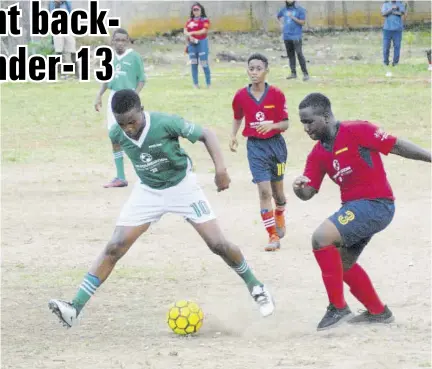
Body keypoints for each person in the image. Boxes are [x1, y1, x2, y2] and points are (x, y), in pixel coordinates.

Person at [48, 89, 275, 328]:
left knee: (217, 244)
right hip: (148, 191)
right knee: (115, 246)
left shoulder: (166, 123)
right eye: (122, 123)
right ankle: (74, 307)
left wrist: (221, 170)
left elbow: (206, 134)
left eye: (132, 121)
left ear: (142, 110)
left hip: (182, 186)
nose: (128, 128)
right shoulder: (116, 132)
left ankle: (256, 286)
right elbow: (121, 144)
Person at [293, 93, 431, 331]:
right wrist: (299, 188)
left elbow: (396, 145)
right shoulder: (317, 153)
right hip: (356, 209)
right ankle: (379, 312)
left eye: (309, 121)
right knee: (341, 263)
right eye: (302, 123)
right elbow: (309, 193)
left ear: (326, 116)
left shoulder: (358, 130)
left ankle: (338, 308)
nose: (306, 128)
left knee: (321, 237)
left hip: (377, 204)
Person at [230, 53, 289, 252]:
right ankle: (272, 235)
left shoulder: (277, 94)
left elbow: (286, 123)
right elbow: (238, 117)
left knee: (278, 193)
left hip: (276, 147)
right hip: (255, 148)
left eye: (258, 69)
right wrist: (233, 135)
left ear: (266, 71)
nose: (254, 73)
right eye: (251, 68)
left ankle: (280, 211)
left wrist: (272, 125)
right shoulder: (240, 95)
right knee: (264, 192)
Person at [94, 28, 146, 188]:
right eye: (117, 40)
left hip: (129, 98)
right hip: (114, 98)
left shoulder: (134, 57)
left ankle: (146, 174)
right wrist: (99, 95)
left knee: (135, 135)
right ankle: (121, 176)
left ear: (128, 41)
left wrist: (135, 96)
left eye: (124, 40)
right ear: (112, 41)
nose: (120, 43)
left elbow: (142, 79)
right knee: (114, 136)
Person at [277, 1, 309, 81]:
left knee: (299, 54)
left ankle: (305, 74)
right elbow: (278, 16)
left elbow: (303, 22)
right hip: (286, 36)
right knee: (290, 55)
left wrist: (292, 17)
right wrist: (281, 25)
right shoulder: (284, 9)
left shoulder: (300, 9)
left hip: (296, 36)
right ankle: (293, 73)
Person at [48, 0, 79, 79]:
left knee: (72, 49)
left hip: (67, 27)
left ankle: (77, 73)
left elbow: (71, 13)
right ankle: (62, 73)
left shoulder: (66, 3)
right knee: (59, 51)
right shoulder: (52, 3)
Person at [184, 2, 211, 89]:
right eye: (194, 10)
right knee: (193, 64)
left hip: (202, 43)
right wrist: (189, 36)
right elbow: (185, 30)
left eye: (197, 9)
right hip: (192, 44)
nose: (195, 11)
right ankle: (195, 84)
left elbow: (204, 31)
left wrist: (192, 32)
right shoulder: (189, 21)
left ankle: (208, 84)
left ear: (201, 10)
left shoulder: (205, 20)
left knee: (204, 63)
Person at [381, 1, 406, 66]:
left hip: (397, 29)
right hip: (387, 29)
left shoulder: (400, 4)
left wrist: (391, 12)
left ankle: (395, 63)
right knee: (386, 47)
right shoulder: (385, 4)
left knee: (397, 47)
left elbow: (401, 13)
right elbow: (383, 14)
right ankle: (385, 62)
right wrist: (392, 9)